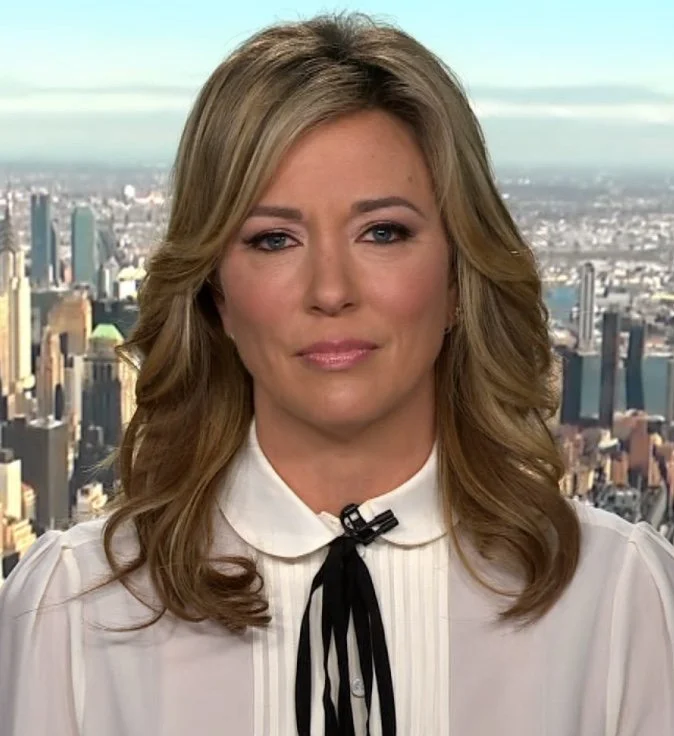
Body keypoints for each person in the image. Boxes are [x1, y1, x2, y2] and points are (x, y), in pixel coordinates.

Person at [1, 12, 673, 736]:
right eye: (274, 239)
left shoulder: (619, 600)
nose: (330, 290)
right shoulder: (69, 614)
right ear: (215, 294)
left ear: (458, 276)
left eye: (382, 232)